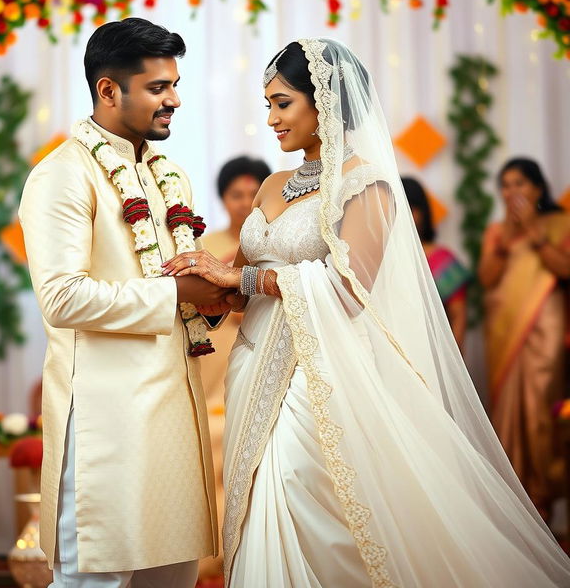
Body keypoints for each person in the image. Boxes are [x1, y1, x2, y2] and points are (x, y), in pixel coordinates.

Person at [163, 39, 570, 587]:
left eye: (282, 103)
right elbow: (239, 286)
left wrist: (239, 277)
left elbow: (350, 290)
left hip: (315, 379)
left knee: (301, 494)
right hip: (252, 367)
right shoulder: (270, 185)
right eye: (267, 105)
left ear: (323, 102)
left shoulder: (366, 184)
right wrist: (192, 280)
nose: (271, 119)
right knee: (257, 500)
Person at [19, 18, 228, 587]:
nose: (174, 100)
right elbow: (61, 298)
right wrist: (175, 293)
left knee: (171, 580)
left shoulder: (169, 177)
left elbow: (182, 282)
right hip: (106, 428)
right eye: (158, 88)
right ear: (108, 90)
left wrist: (212, 297)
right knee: (98, 580)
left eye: (175, 85)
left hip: (174, 422)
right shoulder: (63, 176)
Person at [479, 157, 570, 518]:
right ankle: (515, 502)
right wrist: (505, 241)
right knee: (506, 410)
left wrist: (535, 236)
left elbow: (564, 270)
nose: (511, 191)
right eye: (505, 185)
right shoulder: (496, 231)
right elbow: (487, 279)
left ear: (538, 188)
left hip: (545, 328)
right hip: (504, 331)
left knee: (540, 410)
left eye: (519, 183)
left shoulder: (561, 223)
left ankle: (544, 497)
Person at [198, 155, 270, 582]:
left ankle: (250, 548)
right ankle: (210, 553)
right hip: (216, 350)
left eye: (251, 193)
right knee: (212, 448)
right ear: (223, 198)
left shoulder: (271, 241)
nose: (244, 202)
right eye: (235, 194)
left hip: (261, 346)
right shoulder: (205, 245)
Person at [401, 176, 471, 351]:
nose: (403, 215)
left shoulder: (442, 259)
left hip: (435, 352)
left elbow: (458, 317)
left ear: (422, 212)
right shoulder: (379, 258)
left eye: (410, 208)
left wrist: (453, 369)